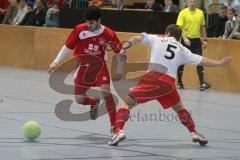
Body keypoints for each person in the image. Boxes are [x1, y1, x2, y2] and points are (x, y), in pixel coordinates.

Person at [108, 24, 233, 146]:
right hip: (168, 83)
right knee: (180, 108)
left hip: (153, 78)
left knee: (126, 103)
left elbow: (136, 38)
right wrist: (220, 63)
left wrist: (123, 50)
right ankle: (194, 132)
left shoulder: (157, 39)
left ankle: (118, 131)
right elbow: (201, 60)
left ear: (167, 33)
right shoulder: (182, 49)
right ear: (179, 38)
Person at [48, 6, 122, 134]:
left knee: (106, 91)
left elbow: (119, 50)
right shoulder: (79, 30)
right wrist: (55, 62)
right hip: (82, 67)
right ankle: (94, 102)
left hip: (99, 68)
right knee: (79, 99)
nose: (88, 25)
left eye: (91, 22)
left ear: (99, 20)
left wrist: (121, 61)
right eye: (87, 22)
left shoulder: (108, 33)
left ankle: (114, 127)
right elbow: (67, 46)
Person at [176, 0, 211, 91]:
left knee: (200, 60)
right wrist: (184, 38)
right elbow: (180, 27)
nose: (192, 3)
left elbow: (203, 27)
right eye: (190, 1)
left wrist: (205, 39)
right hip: (186, 40)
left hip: (196, 41)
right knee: (181, 61)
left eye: (194, 1)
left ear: (196, 3)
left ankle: (202, 83)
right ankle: (179, 82)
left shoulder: (200, 13)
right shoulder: (183, 13)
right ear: (187, 2)